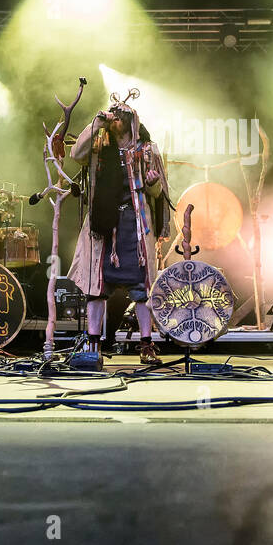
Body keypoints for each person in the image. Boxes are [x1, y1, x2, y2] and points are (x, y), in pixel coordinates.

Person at [67, 96, 172, 365]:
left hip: (135, 226)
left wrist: (153, 184)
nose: (114, 120)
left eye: (119, 117)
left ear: (129, 122)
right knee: (96, 287)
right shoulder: (99, 146)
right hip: (104, 223)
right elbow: (75, 154)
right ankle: (93, 345)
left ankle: (147, 345)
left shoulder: (148, 150)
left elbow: (157, 192)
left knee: (142, 289)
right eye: (111, 116)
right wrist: (96, 123)